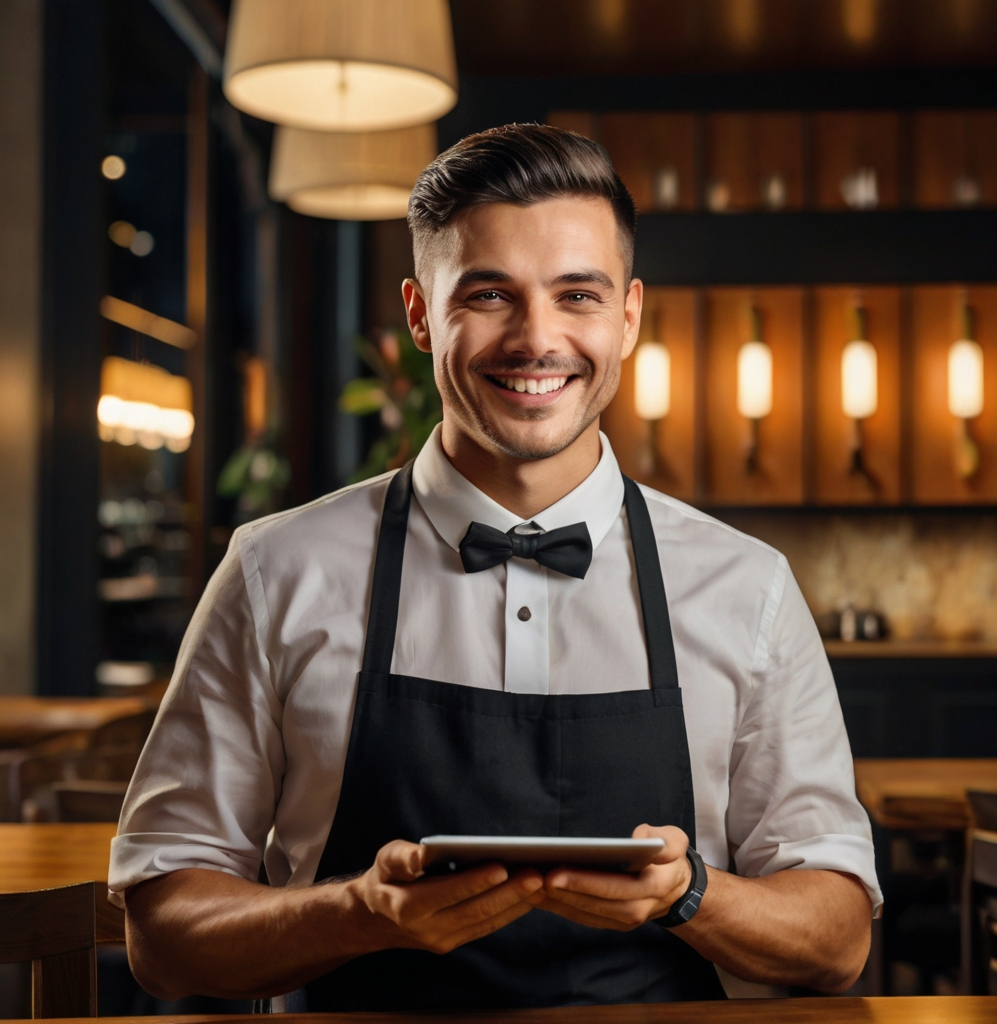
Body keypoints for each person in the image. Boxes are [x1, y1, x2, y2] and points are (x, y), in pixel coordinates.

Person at [111, 123, 880, 1010]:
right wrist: (360, 912)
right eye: (488, 294)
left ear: (627, 317)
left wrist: (688, 893)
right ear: (419, 313)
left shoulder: (746, 588)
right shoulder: (274, 571)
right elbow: (162, 931)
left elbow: (837, 938)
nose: (536, 338)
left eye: (577, 295)